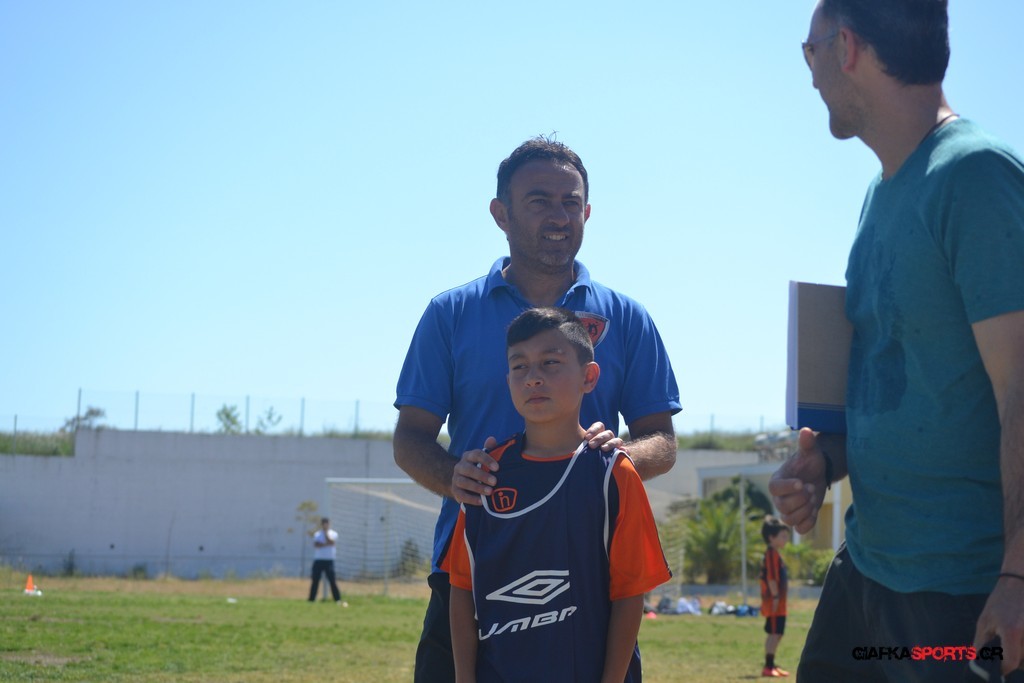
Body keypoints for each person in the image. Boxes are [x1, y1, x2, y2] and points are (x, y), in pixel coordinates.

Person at [770, 1, 1024, 681]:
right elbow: (909, 385)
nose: (810, 73)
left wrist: (1018, 575)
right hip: (867, 572)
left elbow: (1022, 389)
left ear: (847, 47)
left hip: (960, 594)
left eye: (810, 50)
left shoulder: (976, 176)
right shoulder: (880, 193)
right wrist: (824, 461)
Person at [394, 136, 681, 682]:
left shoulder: (627, 317)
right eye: (539, 201)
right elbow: (409, 438)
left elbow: (662, 442)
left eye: (571, 202)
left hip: (588, 581)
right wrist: (457, 478)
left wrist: (617, 460)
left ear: (588, 213)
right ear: (500, 214)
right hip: (474, 572)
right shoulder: (449, 314)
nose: (558, 216)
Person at [443, 307, 672, 682]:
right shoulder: (485, 474)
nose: (533, 377)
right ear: (508, 380)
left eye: (550, 362)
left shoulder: (612, 472)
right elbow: (462, 589)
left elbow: (630, 595)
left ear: (589, 376)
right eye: (520, 366)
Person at [759, 515, 791, 678]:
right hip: (774, 602)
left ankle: (772, 664)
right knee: (774, 633)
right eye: (783, 536)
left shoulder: (776, 554)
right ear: (771, 537)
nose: (786, 539)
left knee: (778, 633)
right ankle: (768, 666)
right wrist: (776, 597)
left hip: (779, 603)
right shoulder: (771, 554)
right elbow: (771, 578)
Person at [308, 517, 347, 606]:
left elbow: (331, 542)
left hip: (329, 560)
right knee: (315, 580)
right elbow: (317, 545)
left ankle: (337, 599)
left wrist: (326, 535)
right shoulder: (317, 534)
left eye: (327, 524)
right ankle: (311, 599)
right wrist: (326, 544)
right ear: (322, 525)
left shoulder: (333, 533)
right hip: (318, 560)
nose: (325, 525)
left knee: (332, 580)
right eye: (324, 524)